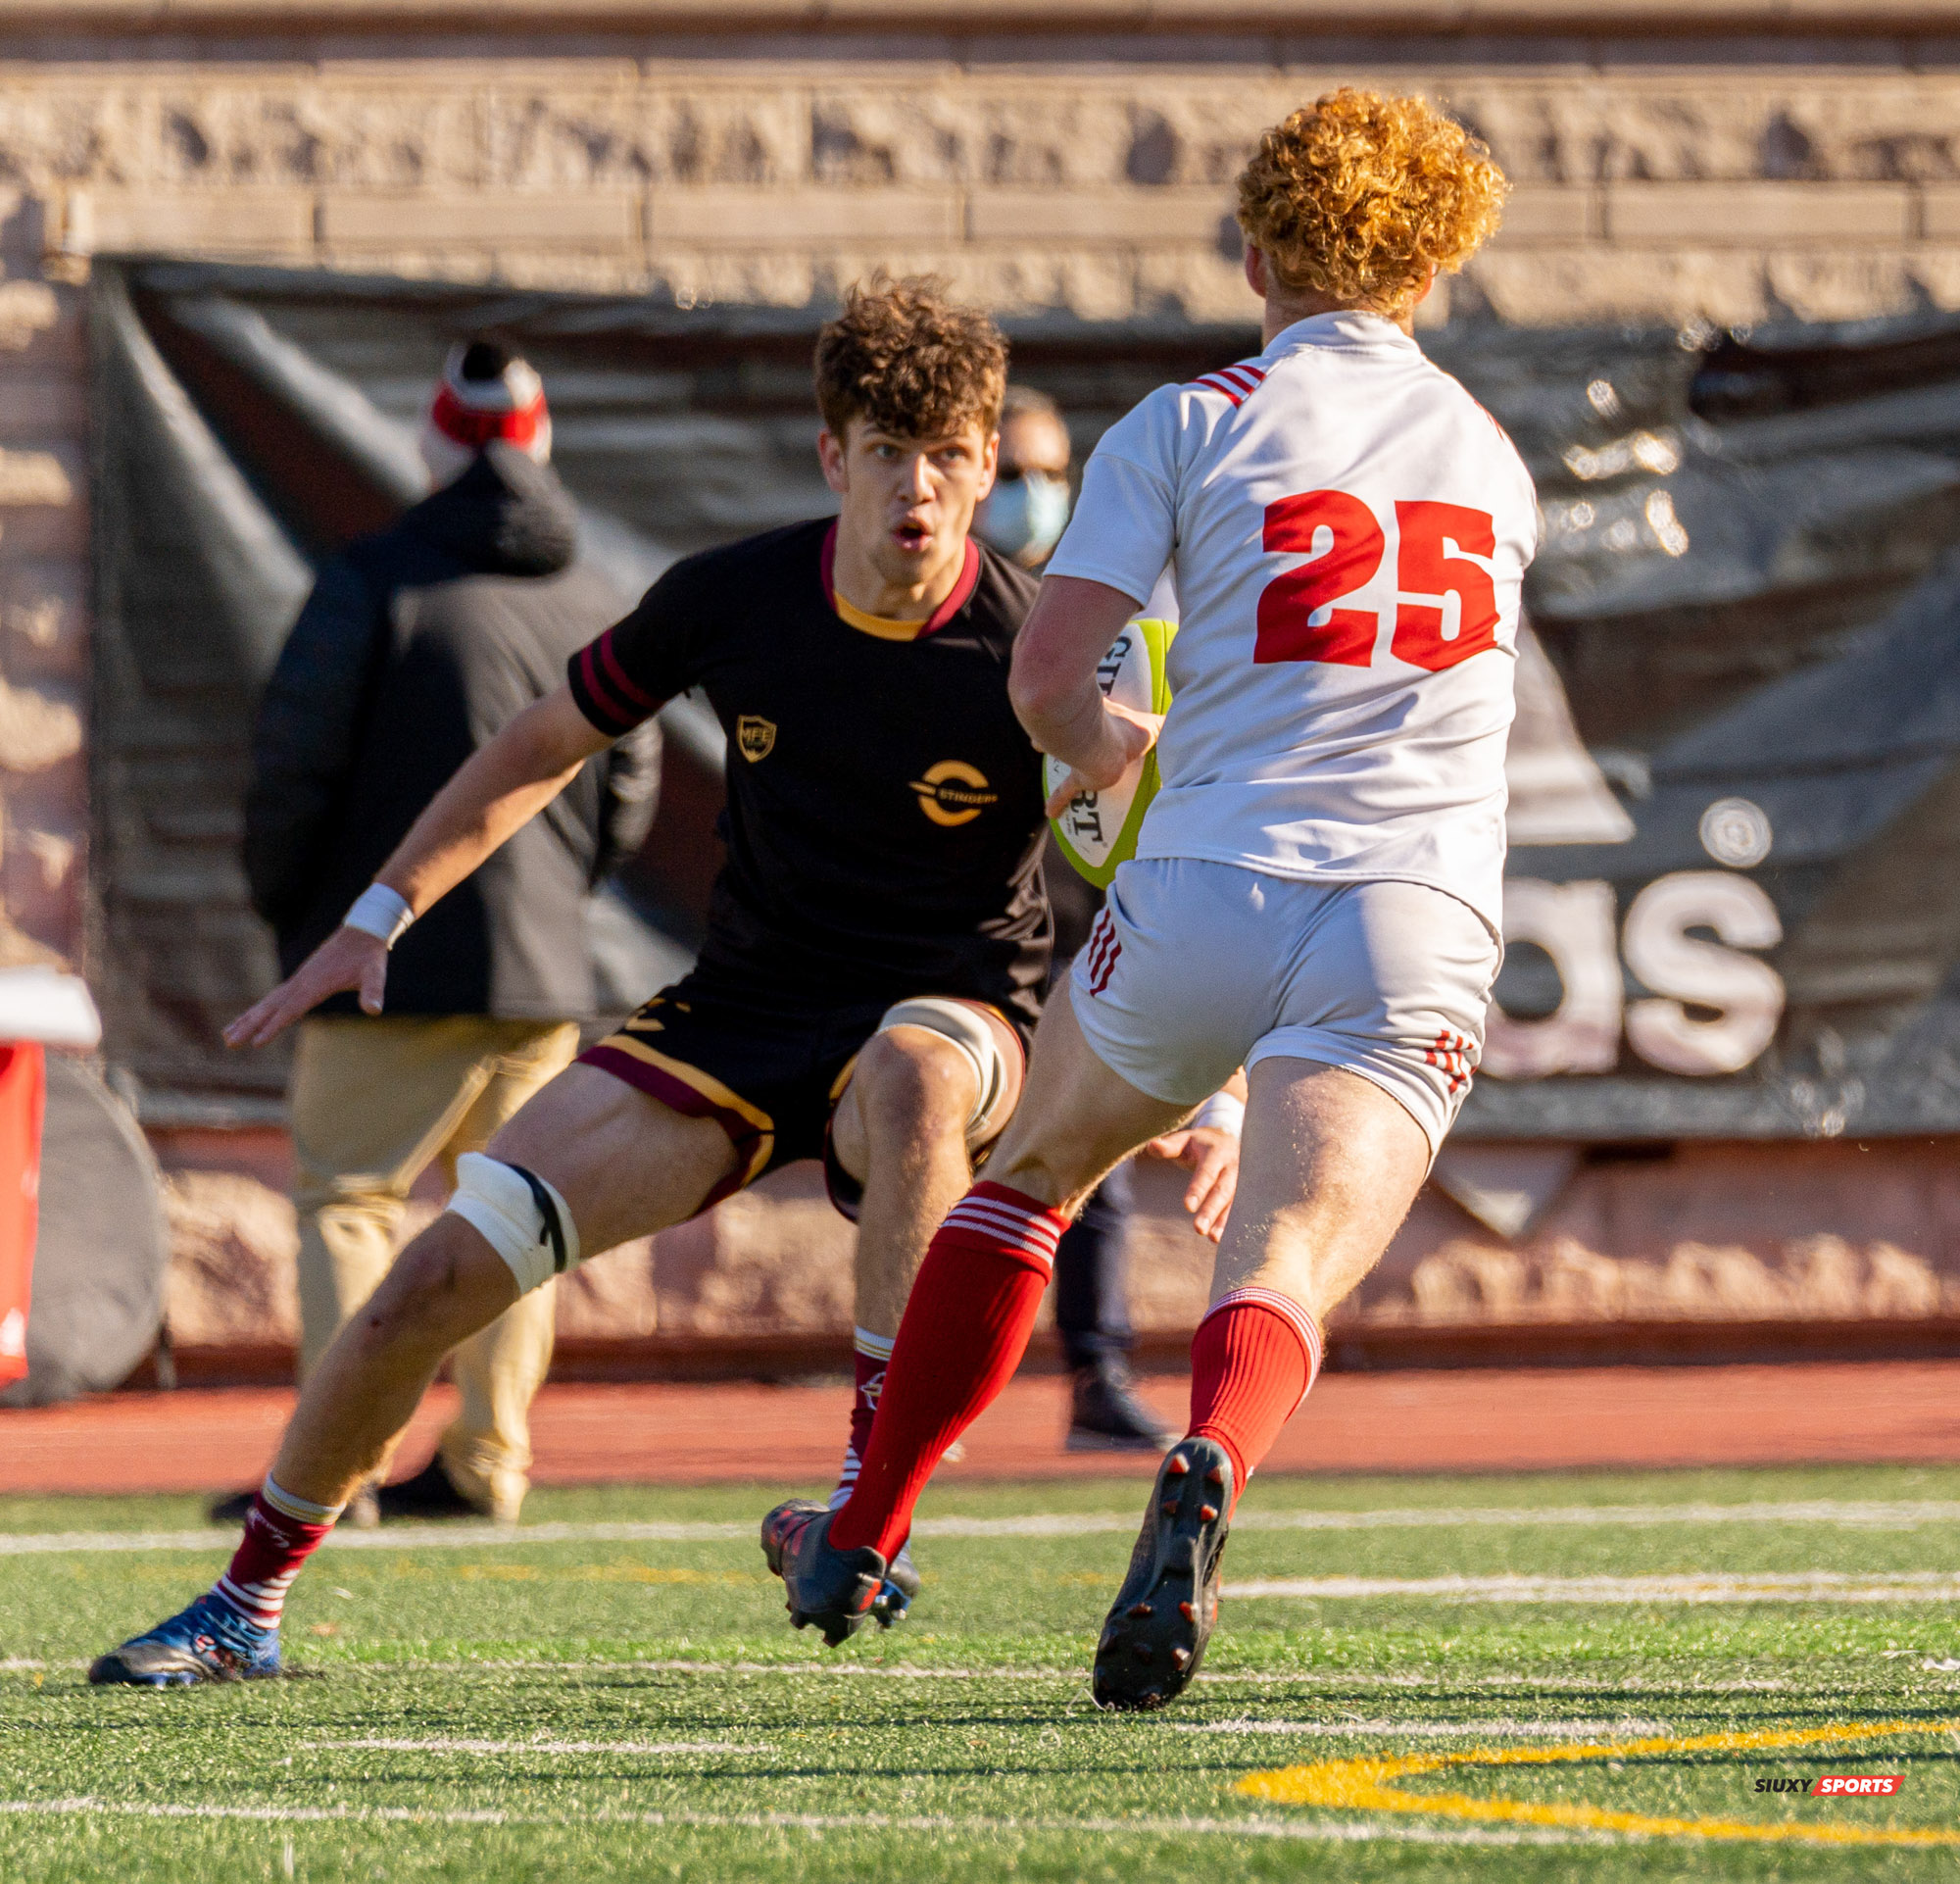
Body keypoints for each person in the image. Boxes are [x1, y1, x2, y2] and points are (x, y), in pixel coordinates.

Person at [87, 277, 1238, 1688]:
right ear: (832, 455)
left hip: (956, 1013)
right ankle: (243, 1606)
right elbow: (541, 740)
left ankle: (866, 1505)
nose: (919, 488)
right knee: (429, 1277)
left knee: (909, 1068)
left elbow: (1173, 848)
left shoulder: (1036, 644)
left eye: (949, 454)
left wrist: (1217, 1083)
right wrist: (376, 913)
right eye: (888, 451)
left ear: (989, 462)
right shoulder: (735, 596)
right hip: (742, 1015)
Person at [762, 88, 1530, 1714]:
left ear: (1253, 250)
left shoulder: (1190, 421)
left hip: (1206, 881)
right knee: (1283, 1261)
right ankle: (1211, 1453)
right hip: (1414, 909)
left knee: (1032, 1176)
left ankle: (865, 1524)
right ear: (1433, 268)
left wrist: (1113, 753)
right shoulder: (1489, 449)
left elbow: (1049, 679)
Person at [233, 341, 660, 1527]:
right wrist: (559, 897)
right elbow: (630, 785)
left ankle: (341, 1471)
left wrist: (303, 915)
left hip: (382, 967)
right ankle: (488, 1461)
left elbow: (293, 767)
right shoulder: (590, 594)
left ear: (431, 440)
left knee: (348, 1201)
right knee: (517, 1210)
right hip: (538, 972)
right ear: (541, 439)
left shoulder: (374, 578)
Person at [980, 385, 1193, 1456]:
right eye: (1012, 472)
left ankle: (1096, 1372)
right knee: (933, 1140)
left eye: (1049, 472)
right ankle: (906, 1377)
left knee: (1092, 1154)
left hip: (1077, 919)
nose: (1032, 494)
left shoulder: (1116, 605)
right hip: (965, 926)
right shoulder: (949, 604)